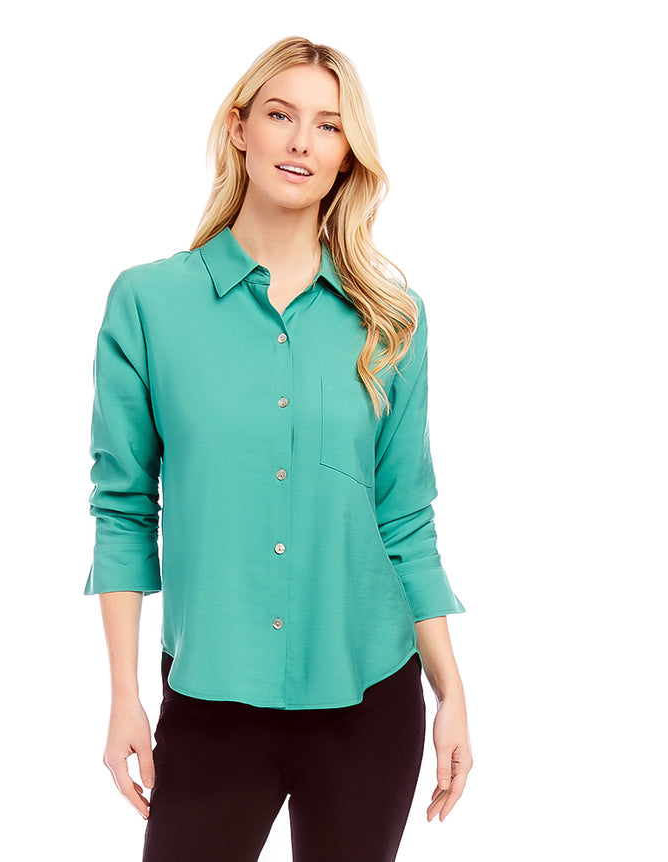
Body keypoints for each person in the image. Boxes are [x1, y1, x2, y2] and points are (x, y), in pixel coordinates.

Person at [84, 35, 472, 862]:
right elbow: (123, 511)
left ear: (346, 155)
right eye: (280, 115)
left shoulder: (392, 319)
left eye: (328, 126)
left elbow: (406, 517)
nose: (301, 142)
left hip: (370, 699)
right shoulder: (149, 304)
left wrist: (451, 692)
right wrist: (123, 696)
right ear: (239, 128)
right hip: (212, 700)